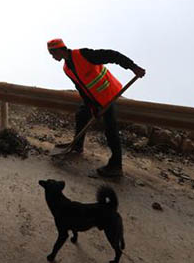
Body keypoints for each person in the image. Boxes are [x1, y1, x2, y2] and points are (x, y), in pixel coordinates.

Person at [47, 38, 145, 177]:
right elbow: (81, 88)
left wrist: (133, 67)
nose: (53, 57)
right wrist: (92, 108)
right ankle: (77, 145)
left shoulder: (83, 54)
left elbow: (112, 55)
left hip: (109, 95)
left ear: (59, 49)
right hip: (95, 99)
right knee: (82, 114)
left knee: (110, 129)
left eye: (53, 54)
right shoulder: (67, 68)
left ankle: (116, 166)